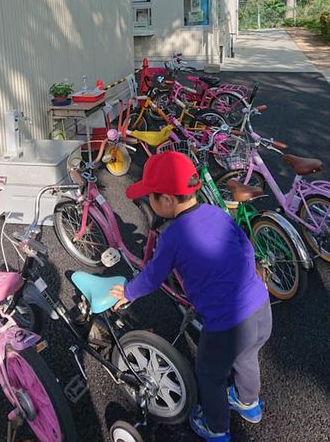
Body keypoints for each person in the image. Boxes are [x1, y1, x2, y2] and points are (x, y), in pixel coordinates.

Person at [111, 151, 272, 442]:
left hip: (227, 324)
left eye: (152, 198)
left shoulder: (174, 236)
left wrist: (128, 291)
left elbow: (152, 276)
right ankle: (249, 405)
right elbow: (246, 247)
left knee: (210, 376)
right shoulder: (217, 213)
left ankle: (217, 429)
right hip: (261, 307)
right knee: (248, 357)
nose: (150, 202)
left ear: (168, 201)